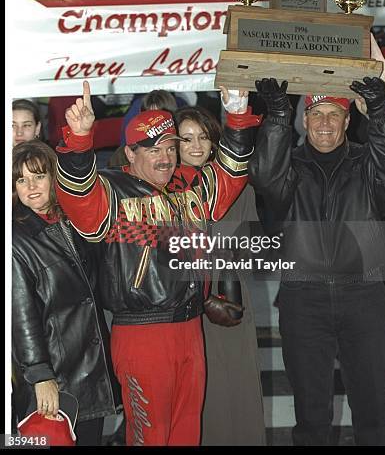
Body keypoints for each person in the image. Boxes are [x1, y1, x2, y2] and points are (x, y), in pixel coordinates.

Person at [54, 81, 261, 446]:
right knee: (150, 437)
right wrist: (80, 139)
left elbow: (231, 174)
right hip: (142, 334)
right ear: (130, 153)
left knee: (187, 434)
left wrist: (239, 112)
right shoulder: (112, 192)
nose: (165, 156)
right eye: (153, 149)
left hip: (191, 329)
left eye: (170, 147)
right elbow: (76, 193)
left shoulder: (190, 192)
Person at [248, 63, 385, 445]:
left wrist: (381, 113)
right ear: (305, 119)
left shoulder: (368, 163)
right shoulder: (289, 168)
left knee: (372, 412)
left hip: (364, 297)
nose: (325, 124)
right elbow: (264, 177)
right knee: (311, 416)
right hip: (304, 298)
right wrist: (277, 119)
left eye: (334, 114)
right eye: (316, 114)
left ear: (347, 121)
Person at [12, 140, 121, 446]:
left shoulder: (73, 221)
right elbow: (21, 316)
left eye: (38, 176)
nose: (31, 187)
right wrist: (40, 376)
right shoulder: (16, 238)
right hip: (55, 376)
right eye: (22, 180)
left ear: (54, 178)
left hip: (88, 365)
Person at [174, 105, 266, 446]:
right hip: (181, 302)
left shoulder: (238, 185)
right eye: (186, 138)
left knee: (237, 387)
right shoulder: (161, 187)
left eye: (204, 137)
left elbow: (253, 244)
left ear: (215, 142)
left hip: (229, 295)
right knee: (196, 395)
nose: (196, 145)